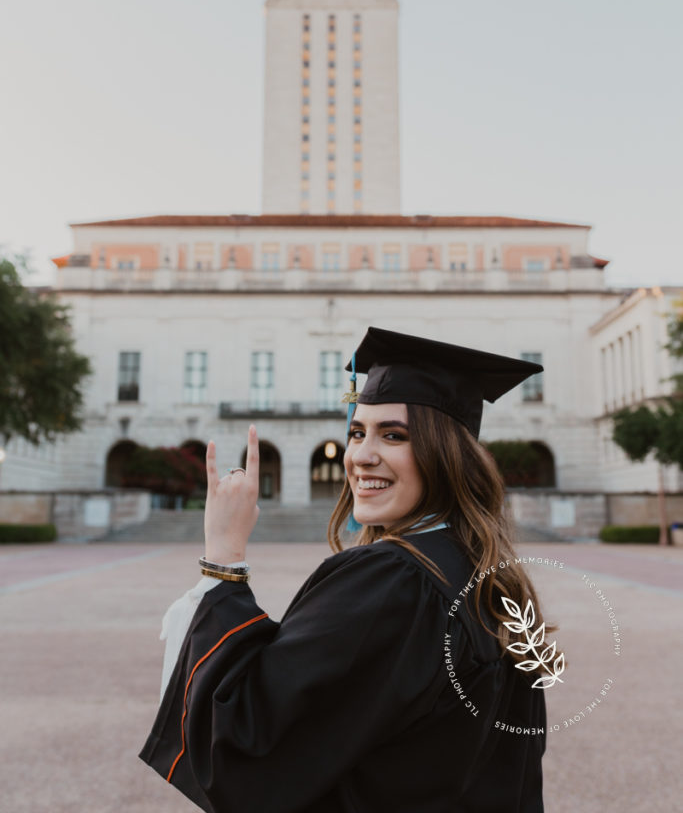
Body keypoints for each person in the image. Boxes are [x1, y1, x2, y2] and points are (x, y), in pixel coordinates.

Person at [140, 327, 550, 812]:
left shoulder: (393, 581)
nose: (360, 456)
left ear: (447, 456)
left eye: (393, 435)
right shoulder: (489, 579)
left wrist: (223, 558)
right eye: (357, 431)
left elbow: (244, 741)